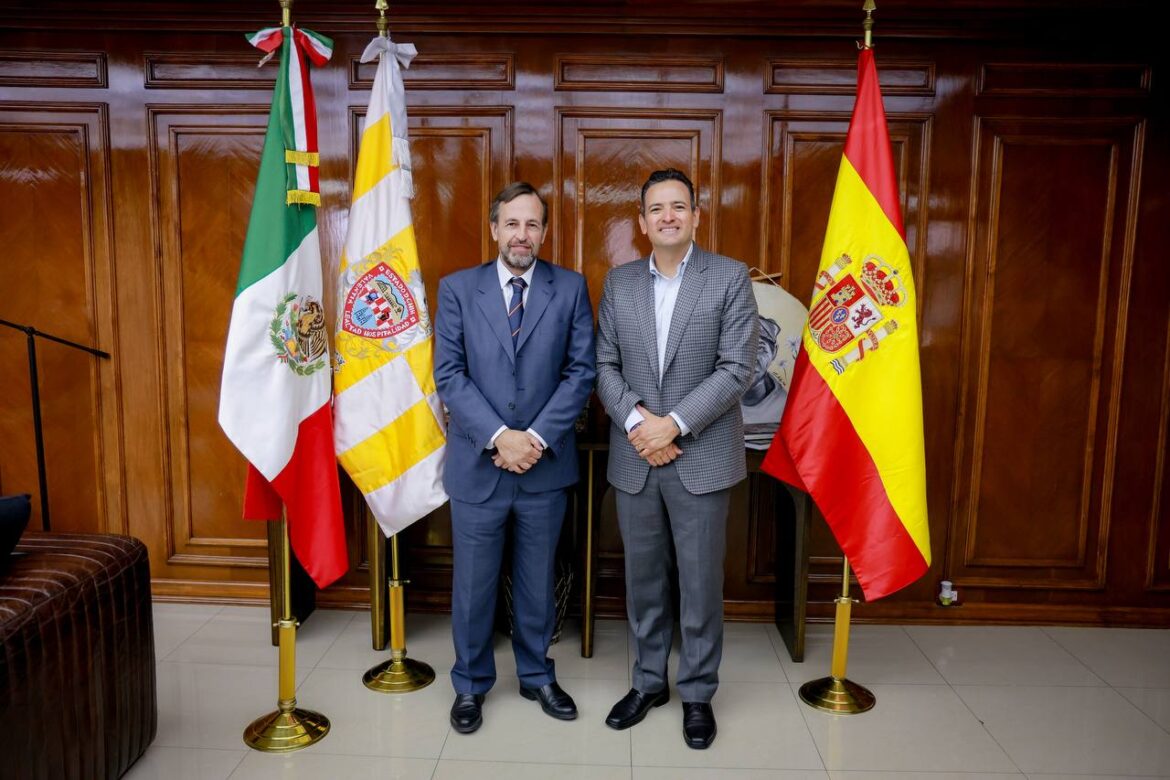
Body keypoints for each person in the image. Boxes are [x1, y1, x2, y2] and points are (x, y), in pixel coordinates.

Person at [595, 168, 758, 749]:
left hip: (702, 457)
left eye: (679, 206)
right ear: (642, 223)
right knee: (643, 582)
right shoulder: (620, 283)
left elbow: (737, 368)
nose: (668, 216)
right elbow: (604, 365)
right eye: (657, 209)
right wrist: (641, 424)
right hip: (637, 457)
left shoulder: (730, 278)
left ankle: (697, 694)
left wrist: (675, 424)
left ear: (696, 216)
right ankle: (647, 683)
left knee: (700, 583)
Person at [434, 181, 596, 734]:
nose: (521, 234)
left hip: (543, 467)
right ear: (494, 229)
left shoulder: (569, 288)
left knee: (537, 581)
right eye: (512, 223)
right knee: (473, 586)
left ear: (544, 232)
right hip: (478, 464)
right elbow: (449, 375)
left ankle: (536, 675)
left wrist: (534, 440)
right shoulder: (458, 289)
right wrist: (500, 436)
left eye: (532, 224)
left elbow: (580, 373)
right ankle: (470, 684)